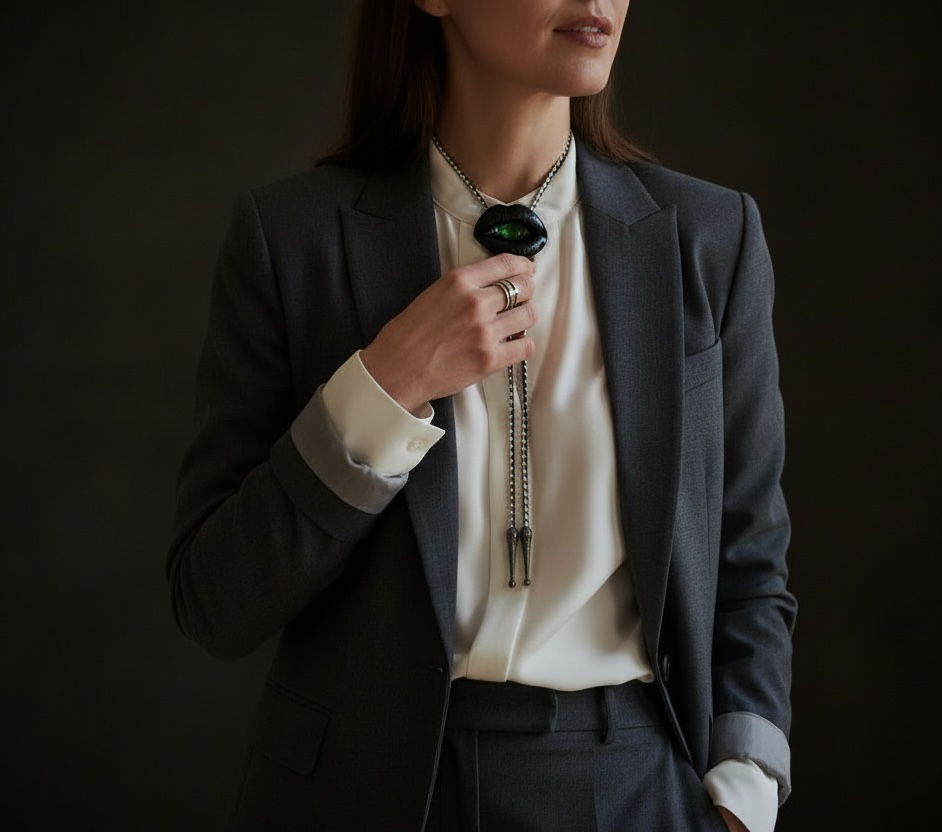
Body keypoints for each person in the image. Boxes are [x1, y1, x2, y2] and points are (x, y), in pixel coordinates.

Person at [167, 0, 795, 829]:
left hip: (635, 787)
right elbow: (215, 602)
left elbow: (748, 560)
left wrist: (744, 796)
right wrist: (383, 388)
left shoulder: (710, 240)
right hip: (364, 795)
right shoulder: (293, 240)